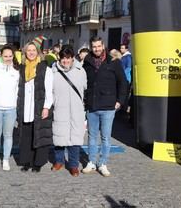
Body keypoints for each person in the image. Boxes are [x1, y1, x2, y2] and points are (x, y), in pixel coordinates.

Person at [82, 36, 128, 177]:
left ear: (103, 46)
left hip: (108, 106)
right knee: (91, 136)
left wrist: (120, 101)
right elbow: (84, 82)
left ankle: (102, 163)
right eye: (94, 46)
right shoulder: (87, 62)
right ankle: (91, 162)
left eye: (98, 46)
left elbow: (123, 83)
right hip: (92, 105)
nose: (96, 49)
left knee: (106, 137)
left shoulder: (113, 62)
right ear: (91, 47)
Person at [51, 45, 87, 177]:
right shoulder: (53, 71)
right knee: (59, 136)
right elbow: (50, 90)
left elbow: (85, 88)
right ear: (59, 58)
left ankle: (73, 165)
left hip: (76, 110)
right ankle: (59, 161)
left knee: (75, 138)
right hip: (60, 108)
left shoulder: (80, 71)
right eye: (63, 58)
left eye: (68, 58)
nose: (65, 61)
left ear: (72, 58)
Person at [17, 42, 53, 173]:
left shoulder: (45, 69)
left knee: (39, 135)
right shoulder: (21, 68)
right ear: (25, 53)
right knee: (26, 135)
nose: (31, 53)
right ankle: (27, 161)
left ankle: (38, 162)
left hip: (39, 106)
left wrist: (46, 107)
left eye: (33, 50)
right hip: (25, 107)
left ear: (38, 52)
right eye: (28, 50)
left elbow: (49, 90)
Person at [0, 45, 20, 171]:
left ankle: (6, 159)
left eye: (10, 56)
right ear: (1, 56)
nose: (8, 58)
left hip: (11, 108)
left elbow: (18, 90)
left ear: (13, 56)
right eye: (5, 56)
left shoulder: (16, 71)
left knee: (8, 135)